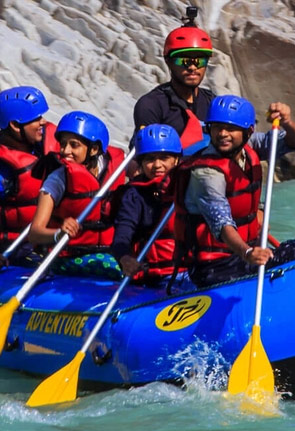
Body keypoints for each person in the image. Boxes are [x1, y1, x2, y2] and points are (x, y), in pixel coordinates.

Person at [133, 9, 295, 157]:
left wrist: (286, 122)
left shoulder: (212, 103)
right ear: (169, 62)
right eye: (184, 61)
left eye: (200, 61)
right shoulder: (152, 105)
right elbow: (140, 161)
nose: (193, 67)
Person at [171, 95, 277, 288]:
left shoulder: (248, 151)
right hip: (213, 264)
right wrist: (247, 253)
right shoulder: (206, 173)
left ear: (248, 132)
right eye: (217, 127)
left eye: (231, 129)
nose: (222, 134)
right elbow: (222, 224)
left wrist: (286, 121)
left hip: (245, 251)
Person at [28, 111, 126, 279]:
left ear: (94, 149)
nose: (66, 151)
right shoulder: (57, 179)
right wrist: (58, 233)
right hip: (67, 256)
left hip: (107, 252)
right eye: (63, 144)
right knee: (115, 271)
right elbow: (34, 233)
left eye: (74, 145)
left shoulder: (112, 169)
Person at [111, 124, 182, 285]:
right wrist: (124, 258)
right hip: (154, 278)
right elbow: (122, 235)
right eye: (150, 159)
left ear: (176, 160)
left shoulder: (188, 188)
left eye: (164, 158)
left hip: (189, 272)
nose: (157, 165)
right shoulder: (135, 195)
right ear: (141, 164)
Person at [0, 86, 53, 267]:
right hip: (14, 246)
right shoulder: (4, 170)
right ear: (15, 125)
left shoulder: (42, 147)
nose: (43, 122)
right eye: (36, 119)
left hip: (47, 238)